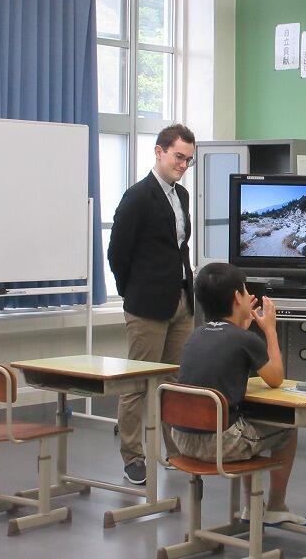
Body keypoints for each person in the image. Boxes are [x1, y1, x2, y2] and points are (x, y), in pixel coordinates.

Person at [172, 262, 306, 527]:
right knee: (288, 430)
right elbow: (275, 378)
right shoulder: (245, 340)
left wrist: (241, 327)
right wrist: (270, 330)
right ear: (237, 297)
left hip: (183, 440)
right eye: (246, 291)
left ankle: (251, 507)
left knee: (246, 421)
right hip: (219, 445)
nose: (250, 296)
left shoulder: (196, 335)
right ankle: (276, 505)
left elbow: (225, 352)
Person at [107, 124, 196, 485]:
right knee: (137, 382)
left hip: (180, 300)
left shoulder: (182, 195)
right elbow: (117, 253)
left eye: (188, 160)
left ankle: (174, 449)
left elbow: (178, 247)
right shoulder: (138, 197)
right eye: (178, 157)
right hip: (146, 304)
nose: (183, 165)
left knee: (175, 380)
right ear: (159, 152)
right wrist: (131, 292)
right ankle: (133, 455)